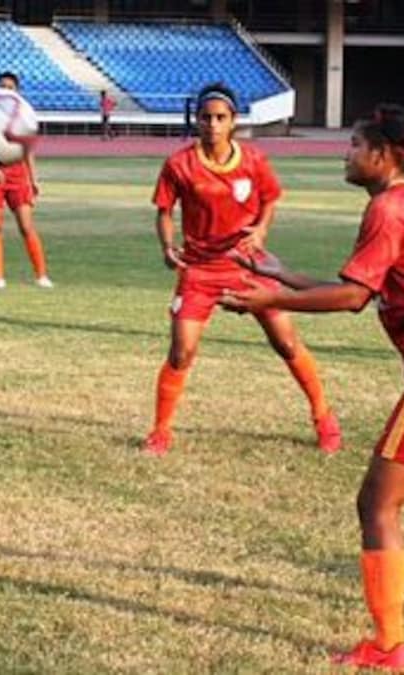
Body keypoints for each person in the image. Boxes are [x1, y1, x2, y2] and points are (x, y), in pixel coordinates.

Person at [221, 105, 404, 671]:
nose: (344, 153)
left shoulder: (388, 210)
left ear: (386, 155)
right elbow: (360, 286)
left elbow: (351, 299)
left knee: (376, 504)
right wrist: (281, 274)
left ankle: (388, 647)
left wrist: (267, 299)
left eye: (354, 144)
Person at [144, 82, 341, 457]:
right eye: (206, 117)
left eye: (221, 118)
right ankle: (160, 431)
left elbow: (269, 200)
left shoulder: (253, 160)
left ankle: (323, 417)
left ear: (234, 121)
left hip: (249, 265)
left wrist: (262, 230)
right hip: (200, 270)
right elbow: (164, 212)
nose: (213, 124)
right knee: (181, 352)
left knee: (285, 341)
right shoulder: (178, 164)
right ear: (197, 120)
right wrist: (167, 246)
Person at [0, 72, 52, 289]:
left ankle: (41, 275)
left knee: (26, 225)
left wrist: (33, 178)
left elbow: (28, 150)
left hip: (18, 174)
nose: (7, 90)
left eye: (11, 87)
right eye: (2, 86)